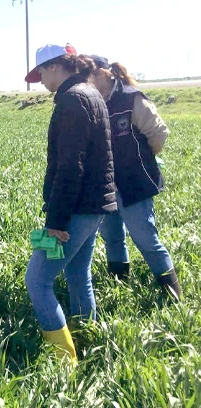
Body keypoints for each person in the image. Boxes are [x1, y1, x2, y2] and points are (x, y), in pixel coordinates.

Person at [23, 45, 117, 363]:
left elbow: (70, 165)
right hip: (94, 205)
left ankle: (65, 361)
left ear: (53, 67)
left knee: (37, 280)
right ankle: (88, 339)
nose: (40, 82)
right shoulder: (89, 93)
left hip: (76, 208)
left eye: (41, 75)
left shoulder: (72, 99)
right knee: (78, 272)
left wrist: (57, 221)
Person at [87, 55, 181, 301]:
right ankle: (119, 285)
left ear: (104, 73)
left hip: (134, 183)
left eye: (89, 74)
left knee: (145, 237)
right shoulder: (93, 102)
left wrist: (139, 160)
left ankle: (172, 294)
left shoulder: (132, 98)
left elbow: (158, 133)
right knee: (112, 237)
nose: (87, 80)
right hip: (106, 185)